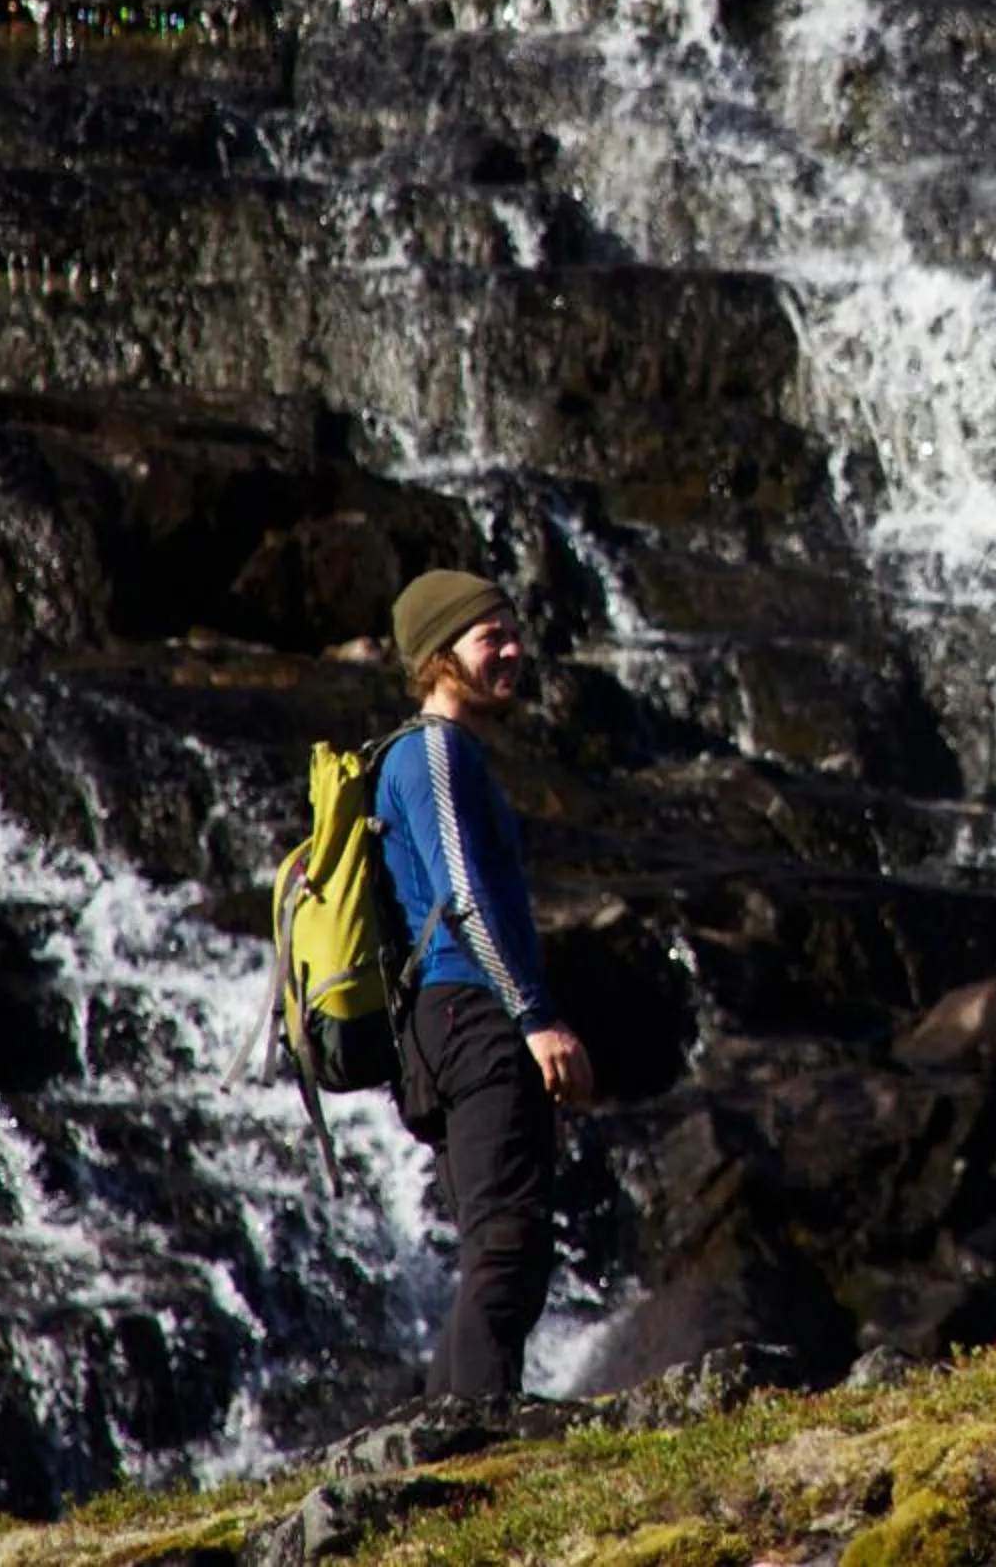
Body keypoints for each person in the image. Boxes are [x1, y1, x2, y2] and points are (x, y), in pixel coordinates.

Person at [377, 568, 596, 1398]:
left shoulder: (455, 753)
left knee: (509, 1245)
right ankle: (468, 1444)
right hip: (470, 1014)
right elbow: (461, 895)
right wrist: (536, 1016)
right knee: (505, 1244)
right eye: (489, 636)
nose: (511, 649)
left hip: (467, 1015)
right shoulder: (431, 751)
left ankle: (453, 1433)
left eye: (511, 630)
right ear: (438, 656)